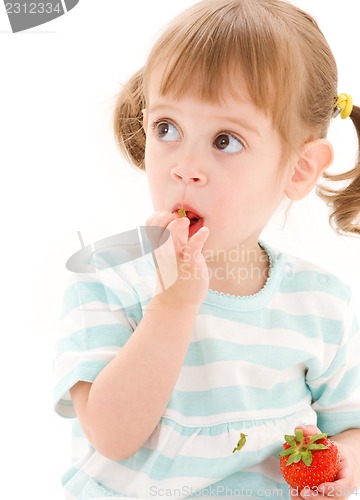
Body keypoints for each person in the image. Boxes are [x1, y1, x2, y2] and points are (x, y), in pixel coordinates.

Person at [54, 0, 360, 498]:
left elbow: (351, 427)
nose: (184, 166)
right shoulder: (108, 281)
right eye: (167, 129)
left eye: (225, 140)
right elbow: (111, 436)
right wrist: (173, 303)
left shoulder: (320, 303)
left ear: (300, 169)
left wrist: (342, 462)